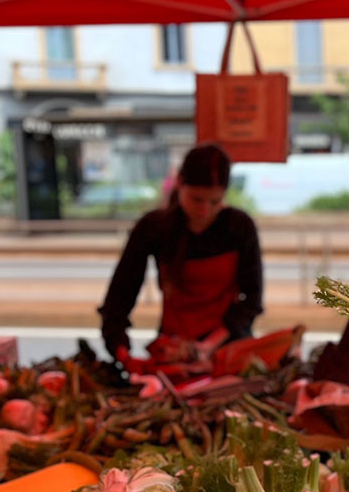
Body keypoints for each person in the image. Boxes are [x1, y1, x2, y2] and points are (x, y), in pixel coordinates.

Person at [99, 144, 262, 365]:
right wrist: (123, 354)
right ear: (179, 184)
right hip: (172, 348)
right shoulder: (154, 227)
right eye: (196, 199)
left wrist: (207, 346)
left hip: (229, 346)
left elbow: (251, 300)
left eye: (214, 202)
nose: (204, 210)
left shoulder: (239, 226)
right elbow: (119, 297)